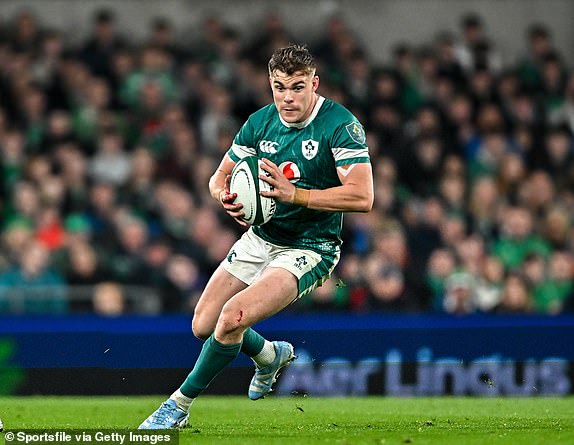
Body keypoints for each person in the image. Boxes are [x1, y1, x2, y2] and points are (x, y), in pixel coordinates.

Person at [139, 44, 373, 429]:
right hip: (260, 237)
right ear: (270, 84)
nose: (287, 97)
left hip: (310, 247)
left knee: (231, 318)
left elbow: (363, 196)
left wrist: (294, 194)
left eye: (297, 87)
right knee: (203, 324)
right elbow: (218, 178)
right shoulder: (260, 122)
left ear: (314, 84)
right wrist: (226, 198)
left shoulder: (340, 124)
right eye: (279, 87)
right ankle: (268, 354)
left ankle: (176, 406)